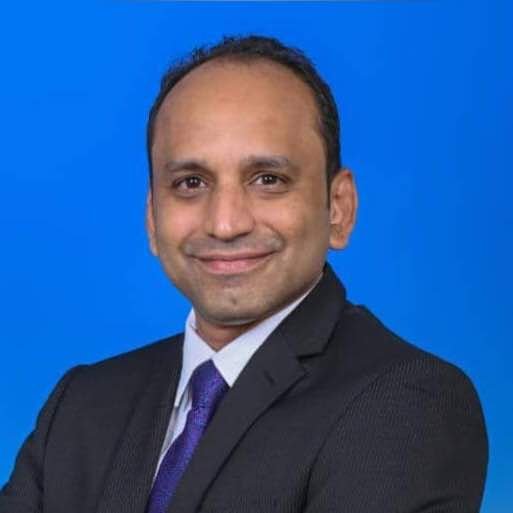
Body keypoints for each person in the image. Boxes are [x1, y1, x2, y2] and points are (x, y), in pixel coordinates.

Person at [0, 35, 488, 513]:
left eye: (268, 180)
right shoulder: (82, 404)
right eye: (191, 183)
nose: (225, 223)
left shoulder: (406, 403)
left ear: (339, 208)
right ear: (152, 218)